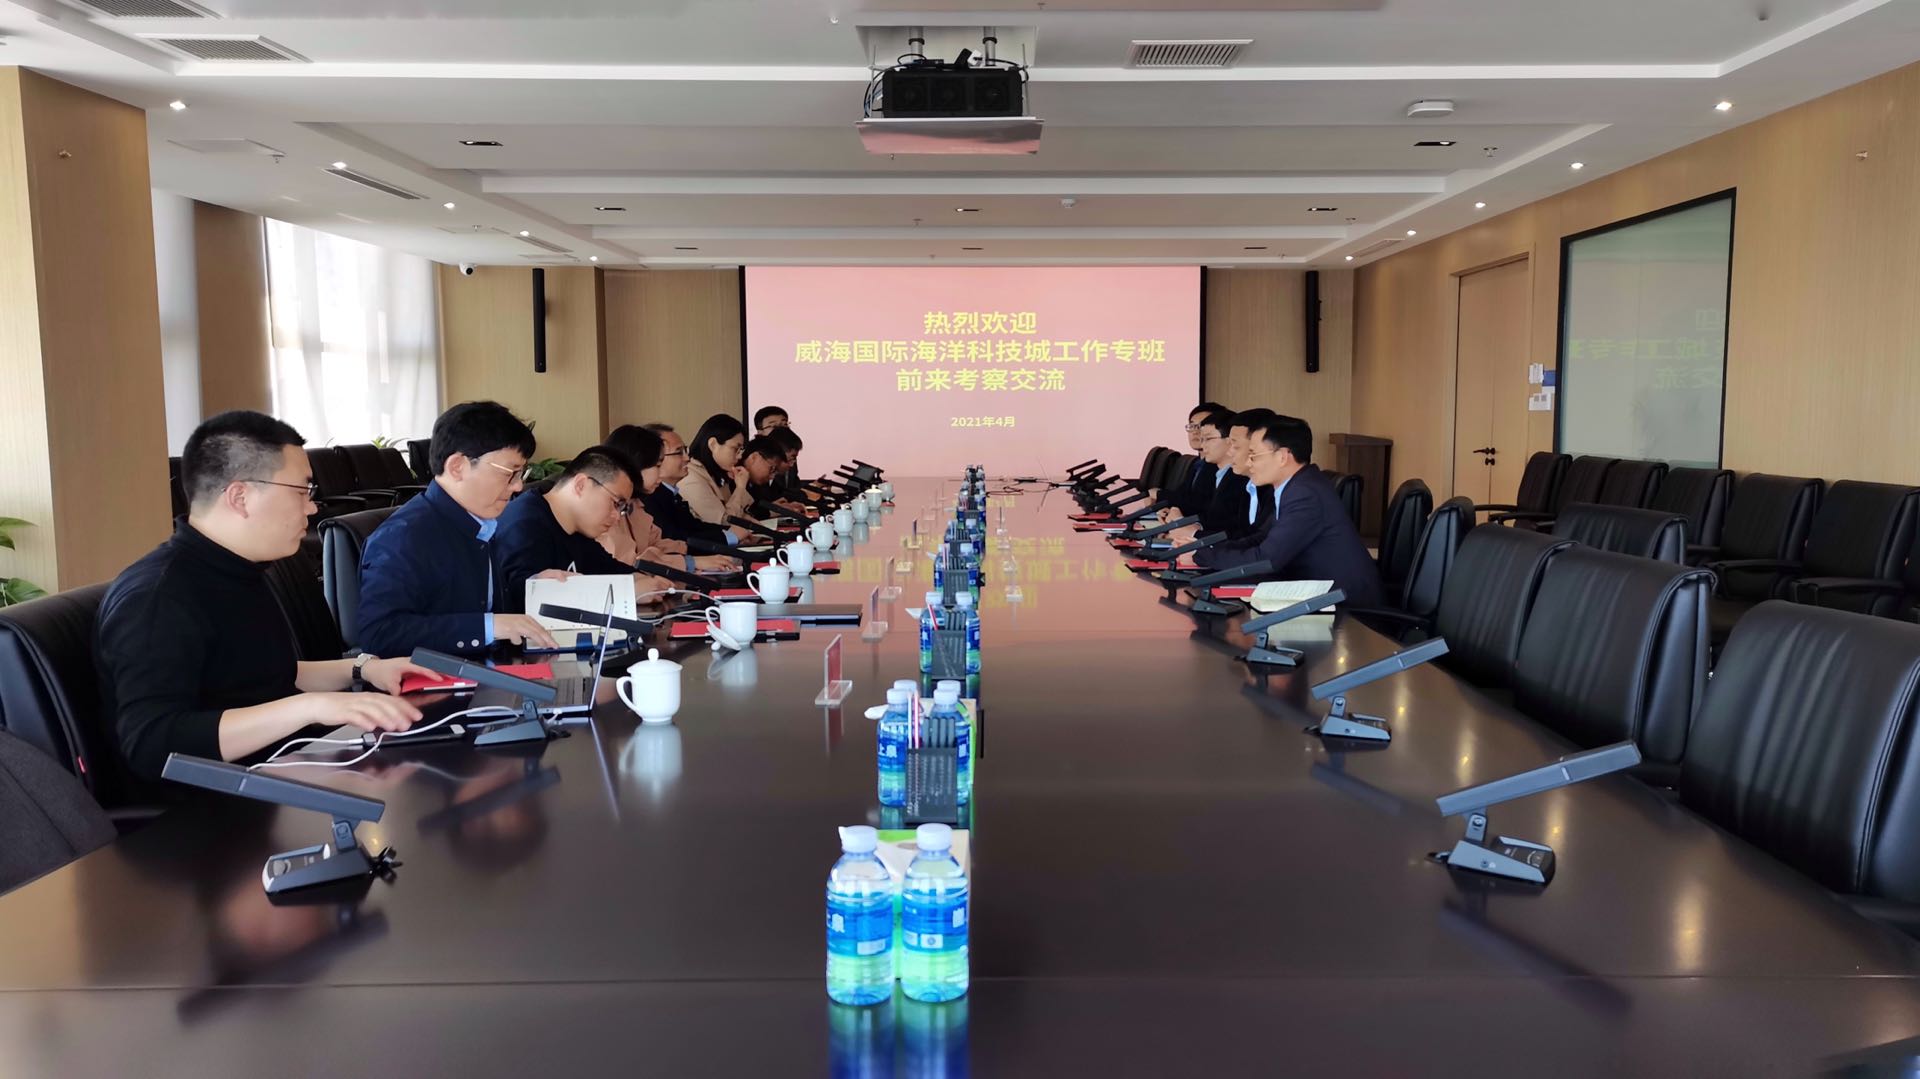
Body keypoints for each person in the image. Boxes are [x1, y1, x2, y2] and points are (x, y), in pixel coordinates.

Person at [96, 410, 433, 783]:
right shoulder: (157, 599)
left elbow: (265, 675)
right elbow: (151, 744)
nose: (312, 506)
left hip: (283, 766)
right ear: (240, 497)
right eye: (302, 491)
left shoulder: (238, 569)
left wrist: (364, 668)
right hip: (220, 800)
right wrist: (310, 707)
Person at [357, 401, 560, 657]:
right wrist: (489, 627)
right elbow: (380, 635)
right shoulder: (402, 537)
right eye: (510, 473)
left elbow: (476, 600)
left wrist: (531, 587)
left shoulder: (479, 522)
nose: (518, 486)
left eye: (521, 474)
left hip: (488, 666)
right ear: (457, 467)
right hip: (439, 677)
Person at [1193, 415, 1383, 607]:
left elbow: (1266, 559)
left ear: (1282, 457)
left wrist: (1201, 556)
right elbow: (1261, 539)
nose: (1249, 463)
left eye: (1254, 455)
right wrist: (1206, 549)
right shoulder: (1295, 486)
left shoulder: (1305, 493)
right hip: (1316, 594)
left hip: (1347, 607)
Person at [490, 446, 673, 613]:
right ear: (581, 485)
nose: (617, 516)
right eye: (616, 503)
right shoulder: (525, 525)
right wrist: (625, 592)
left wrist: (640, 580)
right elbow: (521, 600)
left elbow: (607, 568)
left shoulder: (577, 528)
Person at [603, 424, 740, 572]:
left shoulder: (634, 504)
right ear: (635, 465)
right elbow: (631, 563)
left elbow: (659, 543)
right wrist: (691, 562)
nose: (660, 473)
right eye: (657, 465)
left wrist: (693, 558)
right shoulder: (609, 510)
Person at [640, 423, 751, 549]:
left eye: (685, 450)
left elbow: (694, 526)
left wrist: (731, 533)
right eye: (679, 452)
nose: (687, 458)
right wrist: (729, 537)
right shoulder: (648, 497)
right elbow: (674, 539)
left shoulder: (669, 493)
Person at [679, 413, 752, 526]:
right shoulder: (690, 477)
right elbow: (725, 523)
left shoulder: (716, 471)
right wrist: (740, 488)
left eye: (741, 450)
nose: (739, 456)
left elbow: (741, 513)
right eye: (735, 449)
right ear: (713, 444)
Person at [1173, 403, 1230, 516]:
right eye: (1192, 426)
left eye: (1201, 426)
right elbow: (1182, 496)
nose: (1195, 432)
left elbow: (1200, 506)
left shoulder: (1227, 471)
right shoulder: (1197, 464)